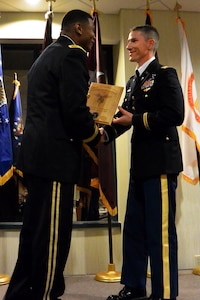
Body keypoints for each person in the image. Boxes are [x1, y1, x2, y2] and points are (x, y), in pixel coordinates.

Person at [3, 9, 103, 300]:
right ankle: (44, 294)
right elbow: (73, 111)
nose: (94, 38)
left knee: (34, 233)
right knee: (52, 237)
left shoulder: (45, 56)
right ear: (77, 29)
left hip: (37, 160)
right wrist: (96, 135)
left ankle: (21, 293)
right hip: (55, 162)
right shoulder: (71, 55)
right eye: (91, 31)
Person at [103, 25, 184, 300]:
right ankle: (135, 286)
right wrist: (101, 134)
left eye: (133, 41)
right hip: (139, 168)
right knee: (134, 230)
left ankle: (164, 294)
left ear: (150, 44)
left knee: (159, 235)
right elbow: (125, 119)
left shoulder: (164, 75)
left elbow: (175, 114)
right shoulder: (132, 81)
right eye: (127, 41)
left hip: (160, 166)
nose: (128, 46)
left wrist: (135, 120)